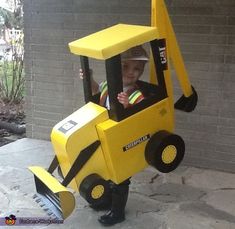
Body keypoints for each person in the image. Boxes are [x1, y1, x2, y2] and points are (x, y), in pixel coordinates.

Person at [80, 45, 148, 226]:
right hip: (107, 137)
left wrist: (127, 107)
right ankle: (108, 201)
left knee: (120, 177)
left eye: (137, 69)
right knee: (106, 172)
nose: (131, 72)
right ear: (116, 67)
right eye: (126, 66)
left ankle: (118, 213)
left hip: (123, 142)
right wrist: (89, 78)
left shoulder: (136, 96)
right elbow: (95, 91)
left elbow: (140, 119)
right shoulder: (108, 86)